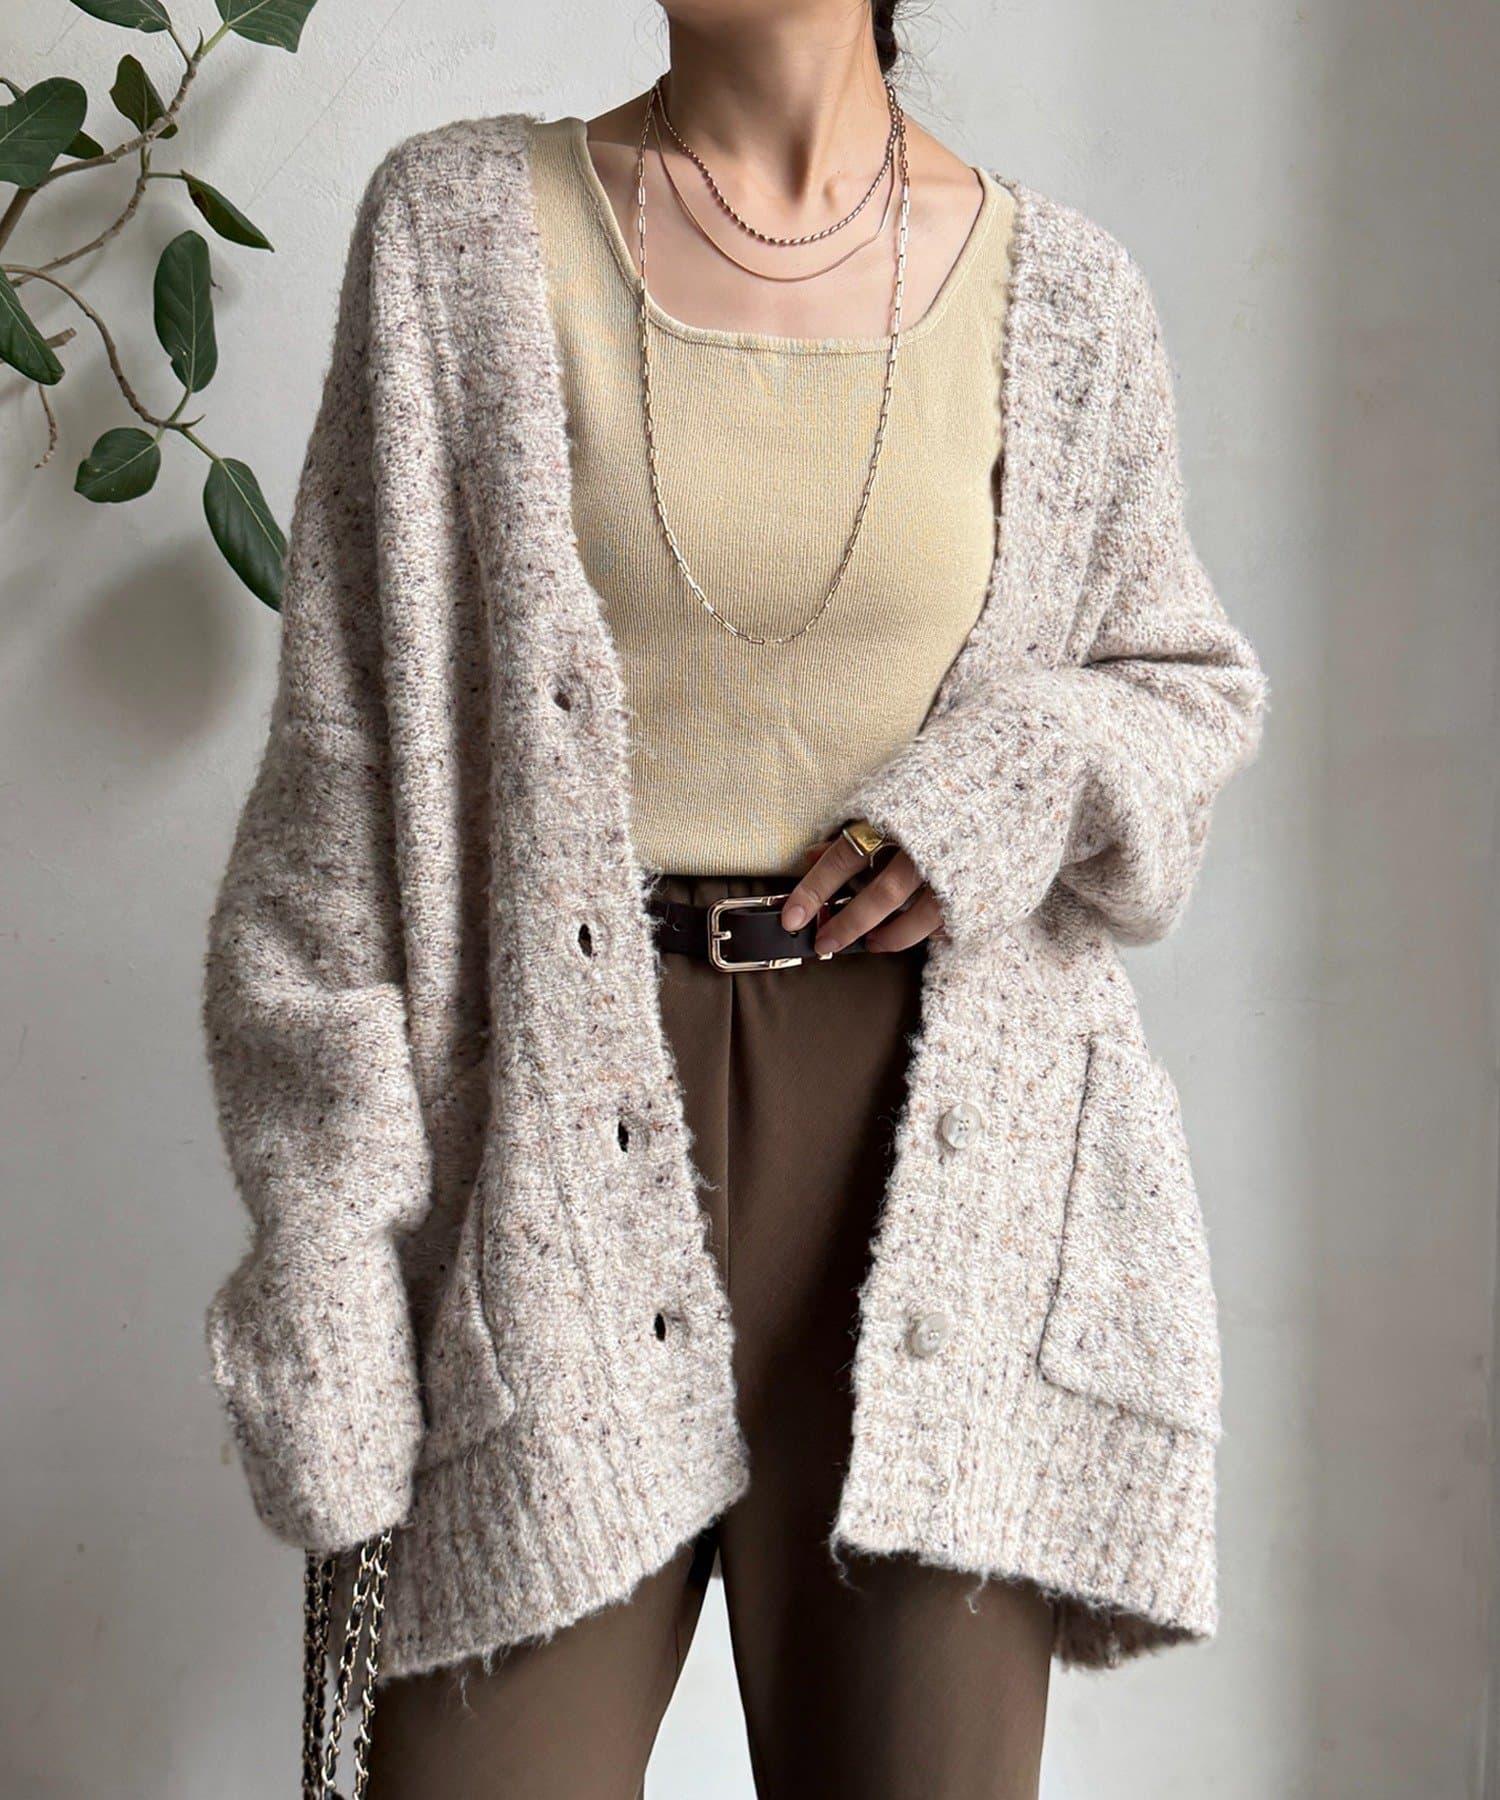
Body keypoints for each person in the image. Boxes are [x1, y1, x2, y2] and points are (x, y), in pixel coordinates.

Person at [200, 3, 1268, 1794]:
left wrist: (1012, 782)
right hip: (541, 1161)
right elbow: (340, 791)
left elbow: (1181, 687)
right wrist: (324, 1235)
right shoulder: (458, 236)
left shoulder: (1069, 299)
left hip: (943, 1185)